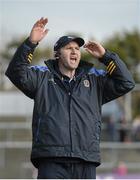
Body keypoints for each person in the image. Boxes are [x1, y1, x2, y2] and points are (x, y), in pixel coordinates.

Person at [5, 17, 135, 179]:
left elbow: (126, 83)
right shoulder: (42, 78)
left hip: (86, 159)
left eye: (77, 48)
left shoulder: (95, 81)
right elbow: (16, 73)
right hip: (51, 159)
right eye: (68, 48)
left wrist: (106, 56)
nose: (74, 51)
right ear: (57, 54)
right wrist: (30, 43)